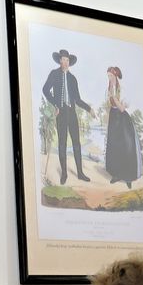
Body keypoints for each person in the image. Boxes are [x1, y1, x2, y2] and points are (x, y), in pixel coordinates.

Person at [41, 49, 92, 184]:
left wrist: (89, 109)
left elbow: (78, 99)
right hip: (61, 113)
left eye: (67, 60)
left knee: (76, 143)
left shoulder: (72, 79)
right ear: (59, 60)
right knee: (62, 143)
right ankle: (64, 173)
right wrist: (55, 105)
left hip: (72, 113)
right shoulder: (54, 74)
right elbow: (45, 90)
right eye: (62, 59)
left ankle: (80, 173)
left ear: (69, 62)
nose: (65, 62)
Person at [102, 66, 142, 188]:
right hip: (114, 117)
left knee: (126, 146)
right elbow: (109, 103)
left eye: (111, 76)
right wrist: (112, 101)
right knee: (115, 146)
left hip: (122, 118)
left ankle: (128, 176)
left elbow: (123, 108)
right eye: (108, 76)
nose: (109, 78)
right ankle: (116, 174)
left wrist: (115, 100)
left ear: (115, 76)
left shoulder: (121, 89)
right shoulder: (109, 89)